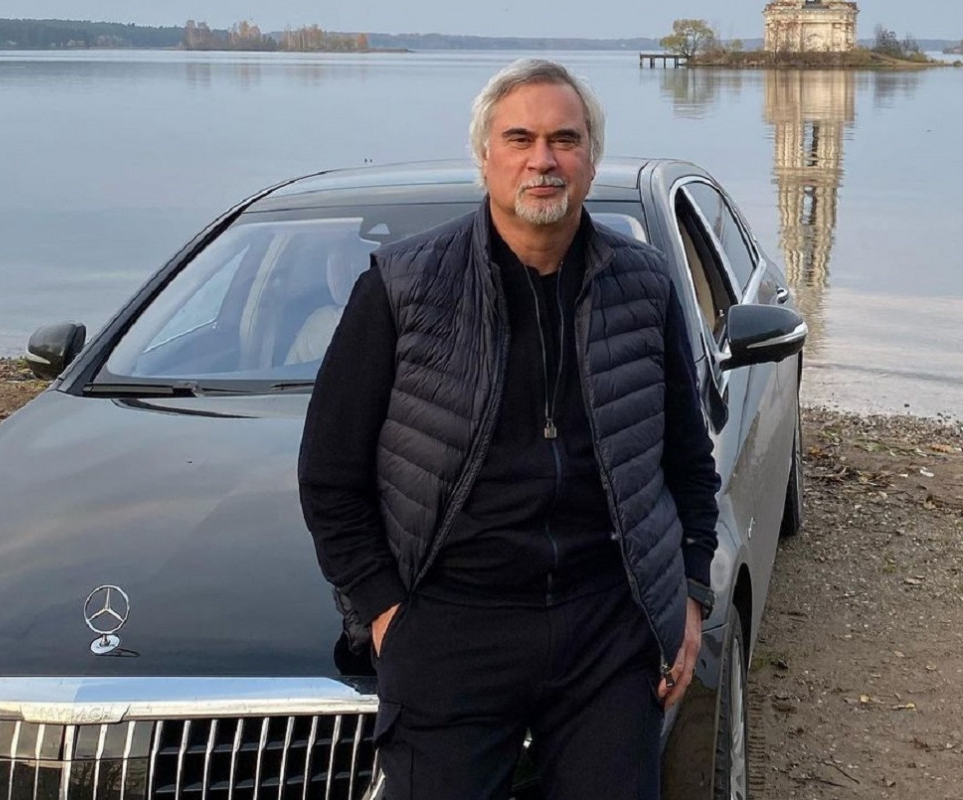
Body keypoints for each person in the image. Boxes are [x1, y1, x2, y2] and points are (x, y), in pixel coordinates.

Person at [298, 58, 721, 800]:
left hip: (606, 627)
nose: (542, 159)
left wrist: (687, 596)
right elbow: (330, 475)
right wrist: (385, 610)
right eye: (520, 138)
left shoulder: (645, 283)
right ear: (485, 156)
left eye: (565, 139)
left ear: (590, 160)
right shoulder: (402, 287)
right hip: (454, 626)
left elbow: (688, 461)